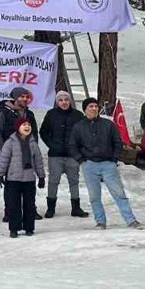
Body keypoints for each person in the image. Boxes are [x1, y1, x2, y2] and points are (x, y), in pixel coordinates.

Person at [70, 97, 143, 230]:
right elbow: (73, 145)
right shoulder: (78, 126)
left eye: (95, 106)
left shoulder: (108, 124)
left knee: (119, 193)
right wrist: (81, 160)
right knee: (94, 196)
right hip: (89, 164)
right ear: (85, 109)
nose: (94, 109)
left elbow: (117, 142)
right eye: (90, 106)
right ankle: (100, 222)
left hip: (108, 164)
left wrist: (114, 158)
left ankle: (131, 220)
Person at [39, 90, 89, 219]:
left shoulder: (78, 115)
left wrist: (78, 148)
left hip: (72, 155)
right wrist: (51, 144)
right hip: (55, 155)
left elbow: (84, 133)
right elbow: (43, 131)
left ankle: (76, 208)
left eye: (66, 100)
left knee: (74, 181)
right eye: (61, 100)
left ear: (70, 101)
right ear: (57, 102)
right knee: (53, 181)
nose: (64, 102)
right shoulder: (51, 114)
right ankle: (51, 208)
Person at [0, 118, 46, 238]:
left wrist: (41, 176)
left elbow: (38, 161)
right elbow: (4, 159)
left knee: (29, 204)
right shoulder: (10, 142)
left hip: (29, 179)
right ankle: (14, 228)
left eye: (28, 125)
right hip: (13, 179)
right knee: (14, 205)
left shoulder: (33, 143)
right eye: (24, 125)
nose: (27, 127)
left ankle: (29, 227)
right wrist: (0, 174)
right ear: (18, 127)